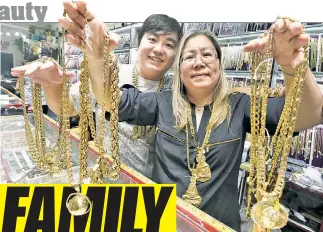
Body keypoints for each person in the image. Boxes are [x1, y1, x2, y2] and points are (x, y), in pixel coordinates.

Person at [84, 19, 322, 230]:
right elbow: (111, 101)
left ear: (219, 64)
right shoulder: (161, 102)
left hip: (217, 225)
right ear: (179, 69)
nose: (199, 63)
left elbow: (307, 115)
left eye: (207, 55)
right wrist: (95, 58)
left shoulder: (239, 106)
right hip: (163, 221)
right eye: (189, 57)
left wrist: (292, 65)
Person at [11, 3, 183, 179]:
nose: (158, 49)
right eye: (152, 40)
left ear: (176, 53)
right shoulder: (110, 74)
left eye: (169, 45)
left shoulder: (178, 92)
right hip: (105, 176)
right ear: (140, 42)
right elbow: (68, 108)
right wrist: (52, 85)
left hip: (151, 185)